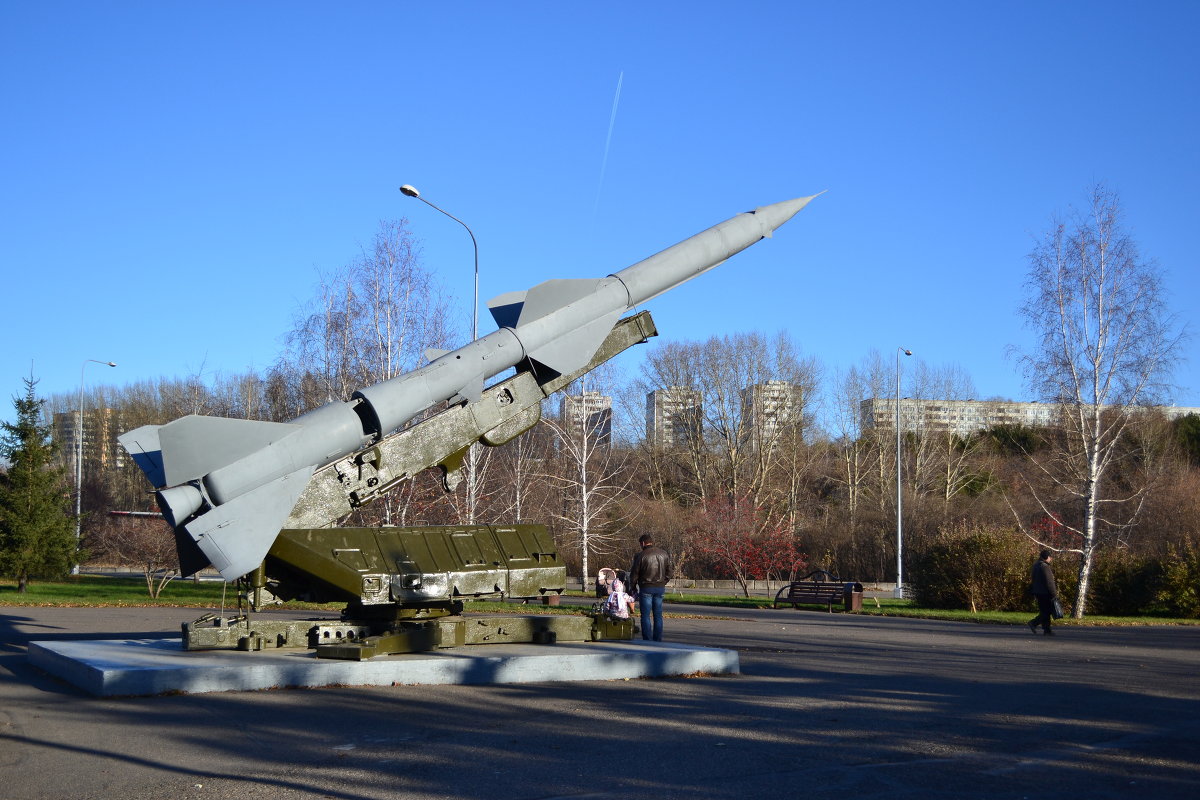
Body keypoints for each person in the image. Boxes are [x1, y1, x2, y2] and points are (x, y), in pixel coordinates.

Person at [629, 533, 673, 641]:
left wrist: (633, 587)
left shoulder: (641, 556)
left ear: (643, 543)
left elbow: (634, 574)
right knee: (658, 614)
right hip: (660, 587)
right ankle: (657, 639)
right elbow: (670, 571)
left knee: (645, 615)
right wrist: (664, 581)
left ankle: (647, 640)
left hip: (646, 587)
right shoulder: (664, 554)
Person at [1028, 549, 1058, 636]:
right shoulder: (1045, 566)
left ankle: (1047, 630)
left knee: (1044, 611)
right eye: (1050, 557)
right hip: (1045, 592)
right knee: (1047, 612)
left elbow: (1033, 579)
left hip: (1037, 591)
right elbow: (1049, 582)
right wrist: (1054, 594)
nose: (1051, 559)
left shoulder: (1036, 565)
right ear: (1046, 557)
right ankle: (1034, 623)